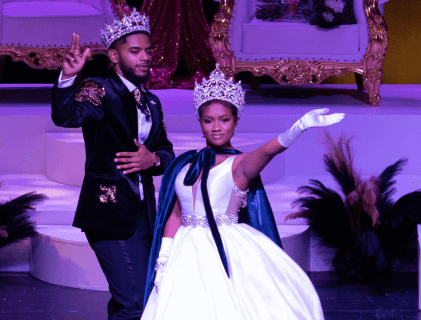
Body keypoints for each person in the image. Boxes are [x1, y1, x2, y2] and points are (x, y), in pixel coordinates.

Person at [141, 65, 344, 320]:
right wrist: (162, 260)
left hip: (225, 247)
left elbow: (268, 151)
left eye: (224, 119)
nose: (216, 127)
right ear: (200, 122)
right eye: (208, 120)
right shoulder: (184, 164)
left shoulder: (239, 165)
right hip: (184, 251)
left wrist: (298, 128)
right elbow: (175, 215)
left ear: (236, 121)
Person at [51, 9, 175, 320]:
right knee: (135, 303)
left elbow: (167, 153)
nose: (144, 57)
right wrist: (68, 78)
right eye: (135, 51)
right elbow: (68, 116)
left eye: (148, 51)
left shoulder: (152, 102)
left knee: (133, 299)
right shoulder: (100, 88)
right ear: (114, 56)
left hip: (145, 214)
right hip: (109, 211)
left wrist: (153, 158)